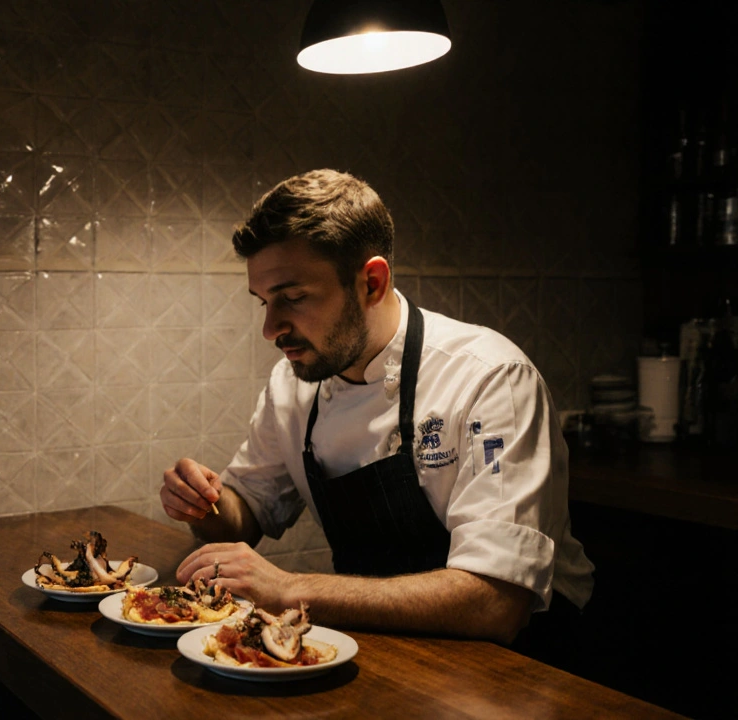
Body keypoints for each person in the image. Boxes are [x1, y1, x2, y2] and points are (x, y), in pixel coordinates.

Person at [161, 169, 594, 654]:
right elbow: (248, 512)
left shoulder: (489, 378)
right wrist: (205, 502)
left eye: (294, 298)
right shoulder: (294, 383)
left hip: (528, 661)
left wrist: (291, 589)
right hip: (384, 646)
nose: (270, 328)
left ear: (372, 282)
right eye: (263, 301)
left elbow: (496, 604)